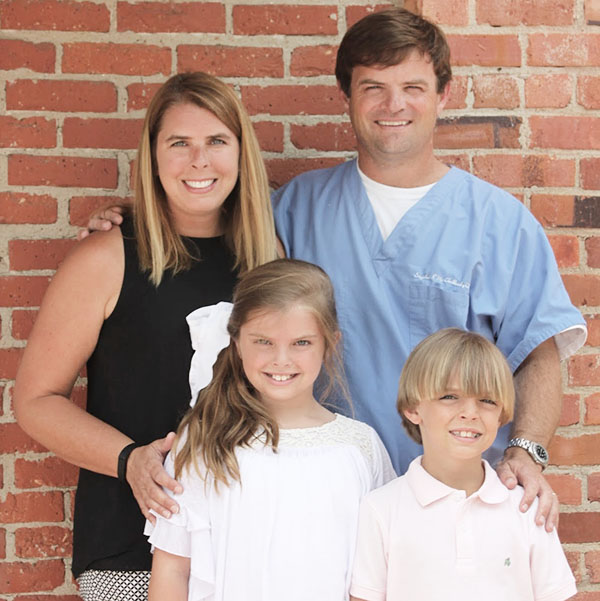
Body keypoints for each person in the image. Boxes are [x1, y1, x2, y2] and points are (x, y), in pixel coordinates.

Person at [82, 9, 586, 529]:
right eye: (373, 87)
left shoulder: (501, 224)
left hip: (454, 500)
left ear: (444, 94)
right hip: (319, 500)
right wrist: (133, 217)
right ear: (347, 97)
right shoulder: (294, 210)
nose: (394, 105)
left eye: (413, 86)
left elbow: (538, 351)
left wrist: (526, 451)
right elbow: (204, 215)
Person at [14, 72, 277, 600]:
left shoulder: (269, 263)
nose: (199, 161)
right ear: (153, 157)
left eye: (217, 142)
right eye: (179, 143)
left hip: (247, 549)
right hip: (132, 551)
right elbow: (35, 401)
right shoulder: (107, 256)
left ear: (241, 153)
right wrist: (130, 459)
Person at [144, 258, 395, 601]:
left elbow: (380, 573)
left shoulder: (359, 447)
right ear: (236, 340)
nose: (281, 359)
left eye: (301, 343)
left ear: (330, 343)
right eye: (263, 341)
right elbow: (173, 569)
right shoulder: (205, 441)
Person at [350, 328, 577, 601]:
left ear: (502, 415)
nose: (470, 413)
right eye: (450, 397)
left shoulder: (527, 508)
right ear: (413, 408)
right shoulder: (380, 509)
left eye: (486, 400)